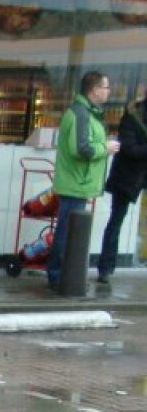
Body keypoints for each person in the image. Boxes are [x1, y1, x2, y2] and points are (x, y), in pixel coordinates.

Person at [46, 70, 119, 291]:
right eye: (106, 87)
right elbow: (83, 148)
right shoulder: (81, 114)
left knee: (69, 232)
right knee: (67, 233)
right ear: (95, 90)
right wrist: (105, 148)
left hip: (79, 182)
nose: (108, 91)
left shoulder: (87, 113)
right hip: (76, 183)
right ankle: (58, 277)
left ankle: (63, 276)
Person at [96, 93, 146, 284]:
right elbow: (130, 149)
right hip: (127, 177)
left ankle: (106, 267)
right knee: (116, 221)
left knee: (116, 220)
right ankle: (105, 268)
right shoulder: (132, 117)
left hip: (138, 175)